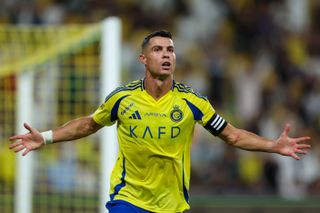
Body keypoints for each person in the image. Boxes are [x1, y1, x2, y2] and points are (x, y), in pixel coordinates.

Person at [9, 30, 311, 213]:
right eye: (158, 49)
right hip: (128, 199)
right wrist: (46, 137)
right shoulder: (122, 99)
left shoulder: (193, 102)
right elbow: (89, 124)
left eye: (170, 50)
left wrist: (273, 145)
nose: (166, 55)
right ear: (143, 59)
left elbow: (232, 135)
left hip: (172, 205)